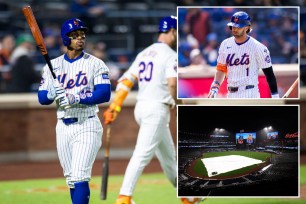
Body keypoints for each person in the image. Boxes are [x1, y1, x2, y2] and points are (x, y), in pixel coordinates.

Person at [103, 16, 202, 204]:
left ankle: (188, 196)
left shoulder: (144, 53)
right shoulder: (170, 55)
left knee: (169, 159)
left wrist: (115, 106)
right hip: (157, 108)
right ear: (173, 32)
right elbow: (172, 84)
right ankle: (124, 197)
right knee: (142, 154)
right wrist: (179, 103)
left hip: (142, 107)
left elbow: (125, 81)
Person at [37, 18, 111, 204]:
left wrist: (76, 98)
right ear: (65, 39)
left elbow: (104, 94)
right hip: (62, 126)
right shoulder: (52, 66)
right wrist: (52, 92)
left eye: (82, 35)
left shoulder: (96, 63)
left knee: (79, 176)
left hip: (87, 123)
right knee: (71, 179)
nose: (80, 38)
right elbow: (42, 98)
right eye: (75, 35)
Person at [208, 11, 279, 98]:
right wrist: (215, 88)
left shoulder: (258, 47)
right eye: (233, 26)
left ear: (246, 27)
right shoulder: (225, 44)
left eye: (238, 27)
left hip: (250, 93)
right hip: (231, 94)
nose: (234, 29)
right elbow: (221, 69)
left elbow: (269, 75)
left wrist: (275, 96)